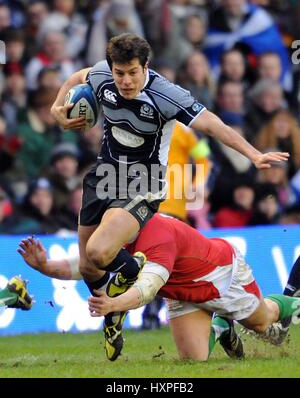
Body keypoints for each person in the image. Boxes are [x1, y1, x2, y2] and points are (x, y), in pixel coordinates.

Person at [50, 33, 289, 357]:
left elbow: (213, 126)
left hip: (143, 183)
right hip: (103, 176)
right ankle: (116, 311)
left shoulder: (165, 94)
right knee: (92, 268)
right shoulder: (102, 75)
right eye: (119, 73)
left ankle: (133, 276)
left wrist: (254, 154)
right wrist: (56, 106)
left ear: (145, 66)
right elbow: (79, 76)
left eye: (133, 72)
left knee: (98, 251)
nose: (125, 80)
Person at [18, 214, 299, 362]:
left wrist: (113, 305)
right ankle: (222, 328)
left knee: (264, 325)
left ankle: (291, 299)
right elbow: (88, 264)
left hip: (220, 278)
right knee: (194, 361)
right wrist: (45, 266)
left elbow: (148, 288)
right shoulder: (122, 229)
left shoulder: (158, 237)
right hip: (180, 292)